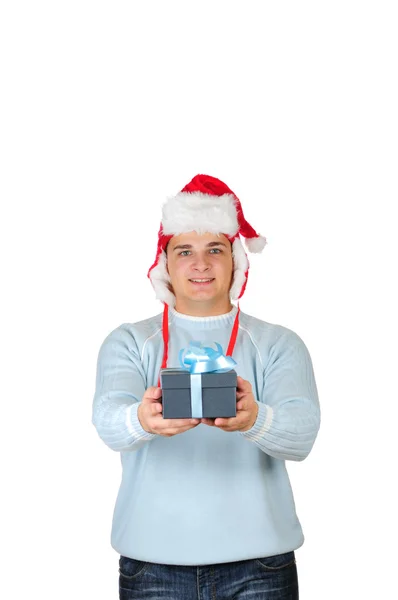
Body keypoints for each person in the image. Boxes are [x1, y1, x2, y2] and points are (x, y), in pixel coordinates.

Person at [92, 174, 321, 600]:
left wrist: (257, 419)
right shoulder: (128, 341)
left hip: (260, 567)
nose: (200, 265)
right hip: (152, 567)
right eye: (185, 252)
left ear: (236, 260)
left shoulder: (278, 343)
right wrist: (141, 419)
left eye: (215, 249)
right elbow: (108, 421)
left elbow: (303, 433)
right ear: (165, 263)